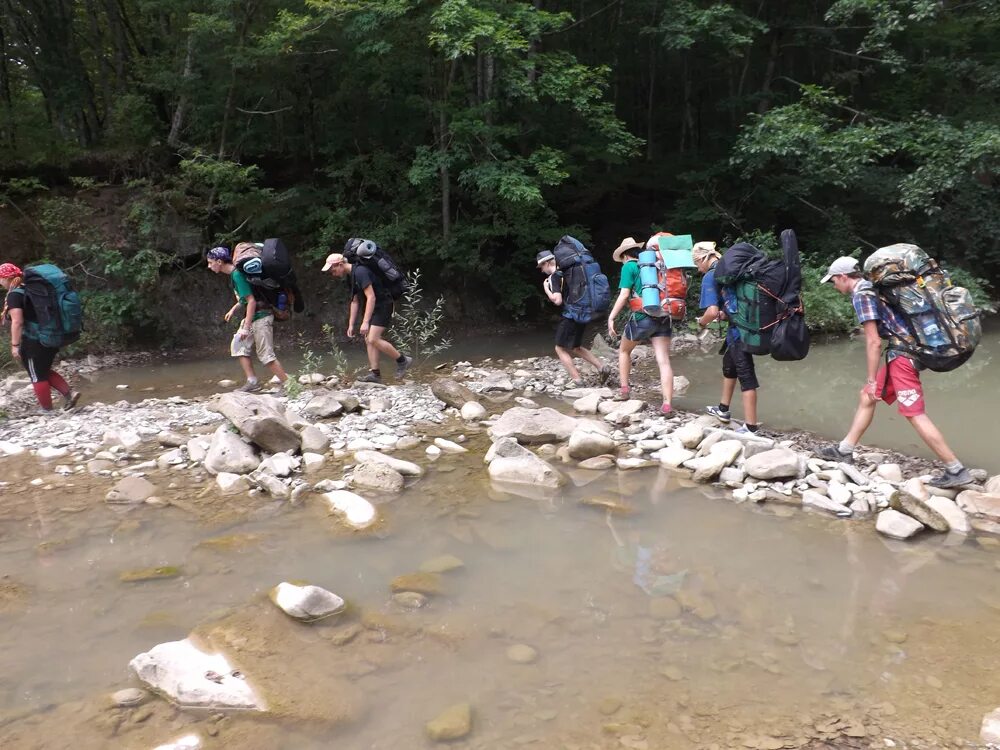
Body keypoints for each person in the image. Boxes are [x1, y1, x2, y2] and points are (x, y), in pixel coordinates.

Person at [816, 256, 972, 487]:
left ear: (843, 277)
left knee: (913, 412)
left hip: (903, 356)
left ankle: (955, 469)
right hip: (902, 351)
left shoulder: (862, 295)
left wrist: (871, 379)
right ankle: (844, 449)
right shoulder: (872, 286)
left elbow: (873, 342)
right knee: (866, 397)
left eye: (833, 281)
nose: (834, 286)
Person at [693, 242, 761, 433]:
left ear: (702, 259)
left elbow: (711, 311)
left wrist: (702, 322)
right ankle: (723, 409)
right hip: (743, 325)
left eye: (697, 264)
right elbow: (732, 301)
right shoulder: (732, 272)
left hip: (740, 330)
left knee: (745, 373)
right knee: (729, 366)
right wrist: (725, 313)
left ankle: (751, 427)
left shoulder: (710, 276)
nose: (698, 269)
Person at [605, 237, 674, 414]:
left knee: (624, 351)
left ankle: (624, 391)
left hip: (643, 316)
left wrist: (611, 317)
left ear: (625, 256)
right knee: (664, 360)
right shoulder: (657, 265)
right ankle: (667, 405)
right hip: (664, 315)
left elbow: (624, 295)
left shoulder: (629, 266)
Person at [0, 262, 81, 412]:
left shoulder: (14, 294)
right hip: (50, 335)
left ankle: (46, 410)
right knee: (42, 370)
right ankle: (70, 394)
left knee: (36, 375)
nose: (0, 282)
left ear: (6, 278)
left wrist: (15, 345)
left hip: (33, 341)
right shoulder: (28, 290)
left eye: (0, 279)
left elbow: (17, 321)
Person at [206, 246, 289, 392]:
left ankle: (291, 386)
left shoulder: (237, 275)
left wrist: (245, 328)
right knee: (239, 346)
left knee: (266, 356)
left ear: (219, 261)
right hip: (254, 316)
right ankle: (252, 382)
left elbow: (251, 301)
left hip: (262, 316)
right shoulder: (235, 275)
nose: (209, 266)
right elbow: (245, 299)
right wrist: (233, 310)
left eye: (210, 262)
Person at [322, 251, 412, 383]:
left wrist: (365, 322)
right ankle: (375, 375)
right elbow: (355, 301)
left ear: (340, 264)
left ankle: (403, 360)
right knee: (368, 340)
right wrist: (351, 324)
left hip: (383, 304)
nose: (332, 273)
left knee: (373, 339)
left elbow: (371, 296)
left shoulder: (360, 272)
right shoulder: (350, 276)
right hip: (374, 307)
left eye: (332, 270)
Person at [536, 249, 611, 387]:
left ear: (547, 263)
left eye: (542, 266)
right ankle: (602, 367)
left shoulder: (554, 277)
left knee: (560, 348)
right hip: (582, 312)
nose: (541, 270)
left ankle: (577, 380)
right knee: (575, 347)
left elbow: (557, 300)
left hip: (570, 315)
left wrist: (546, 288)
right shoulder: (568, 272)